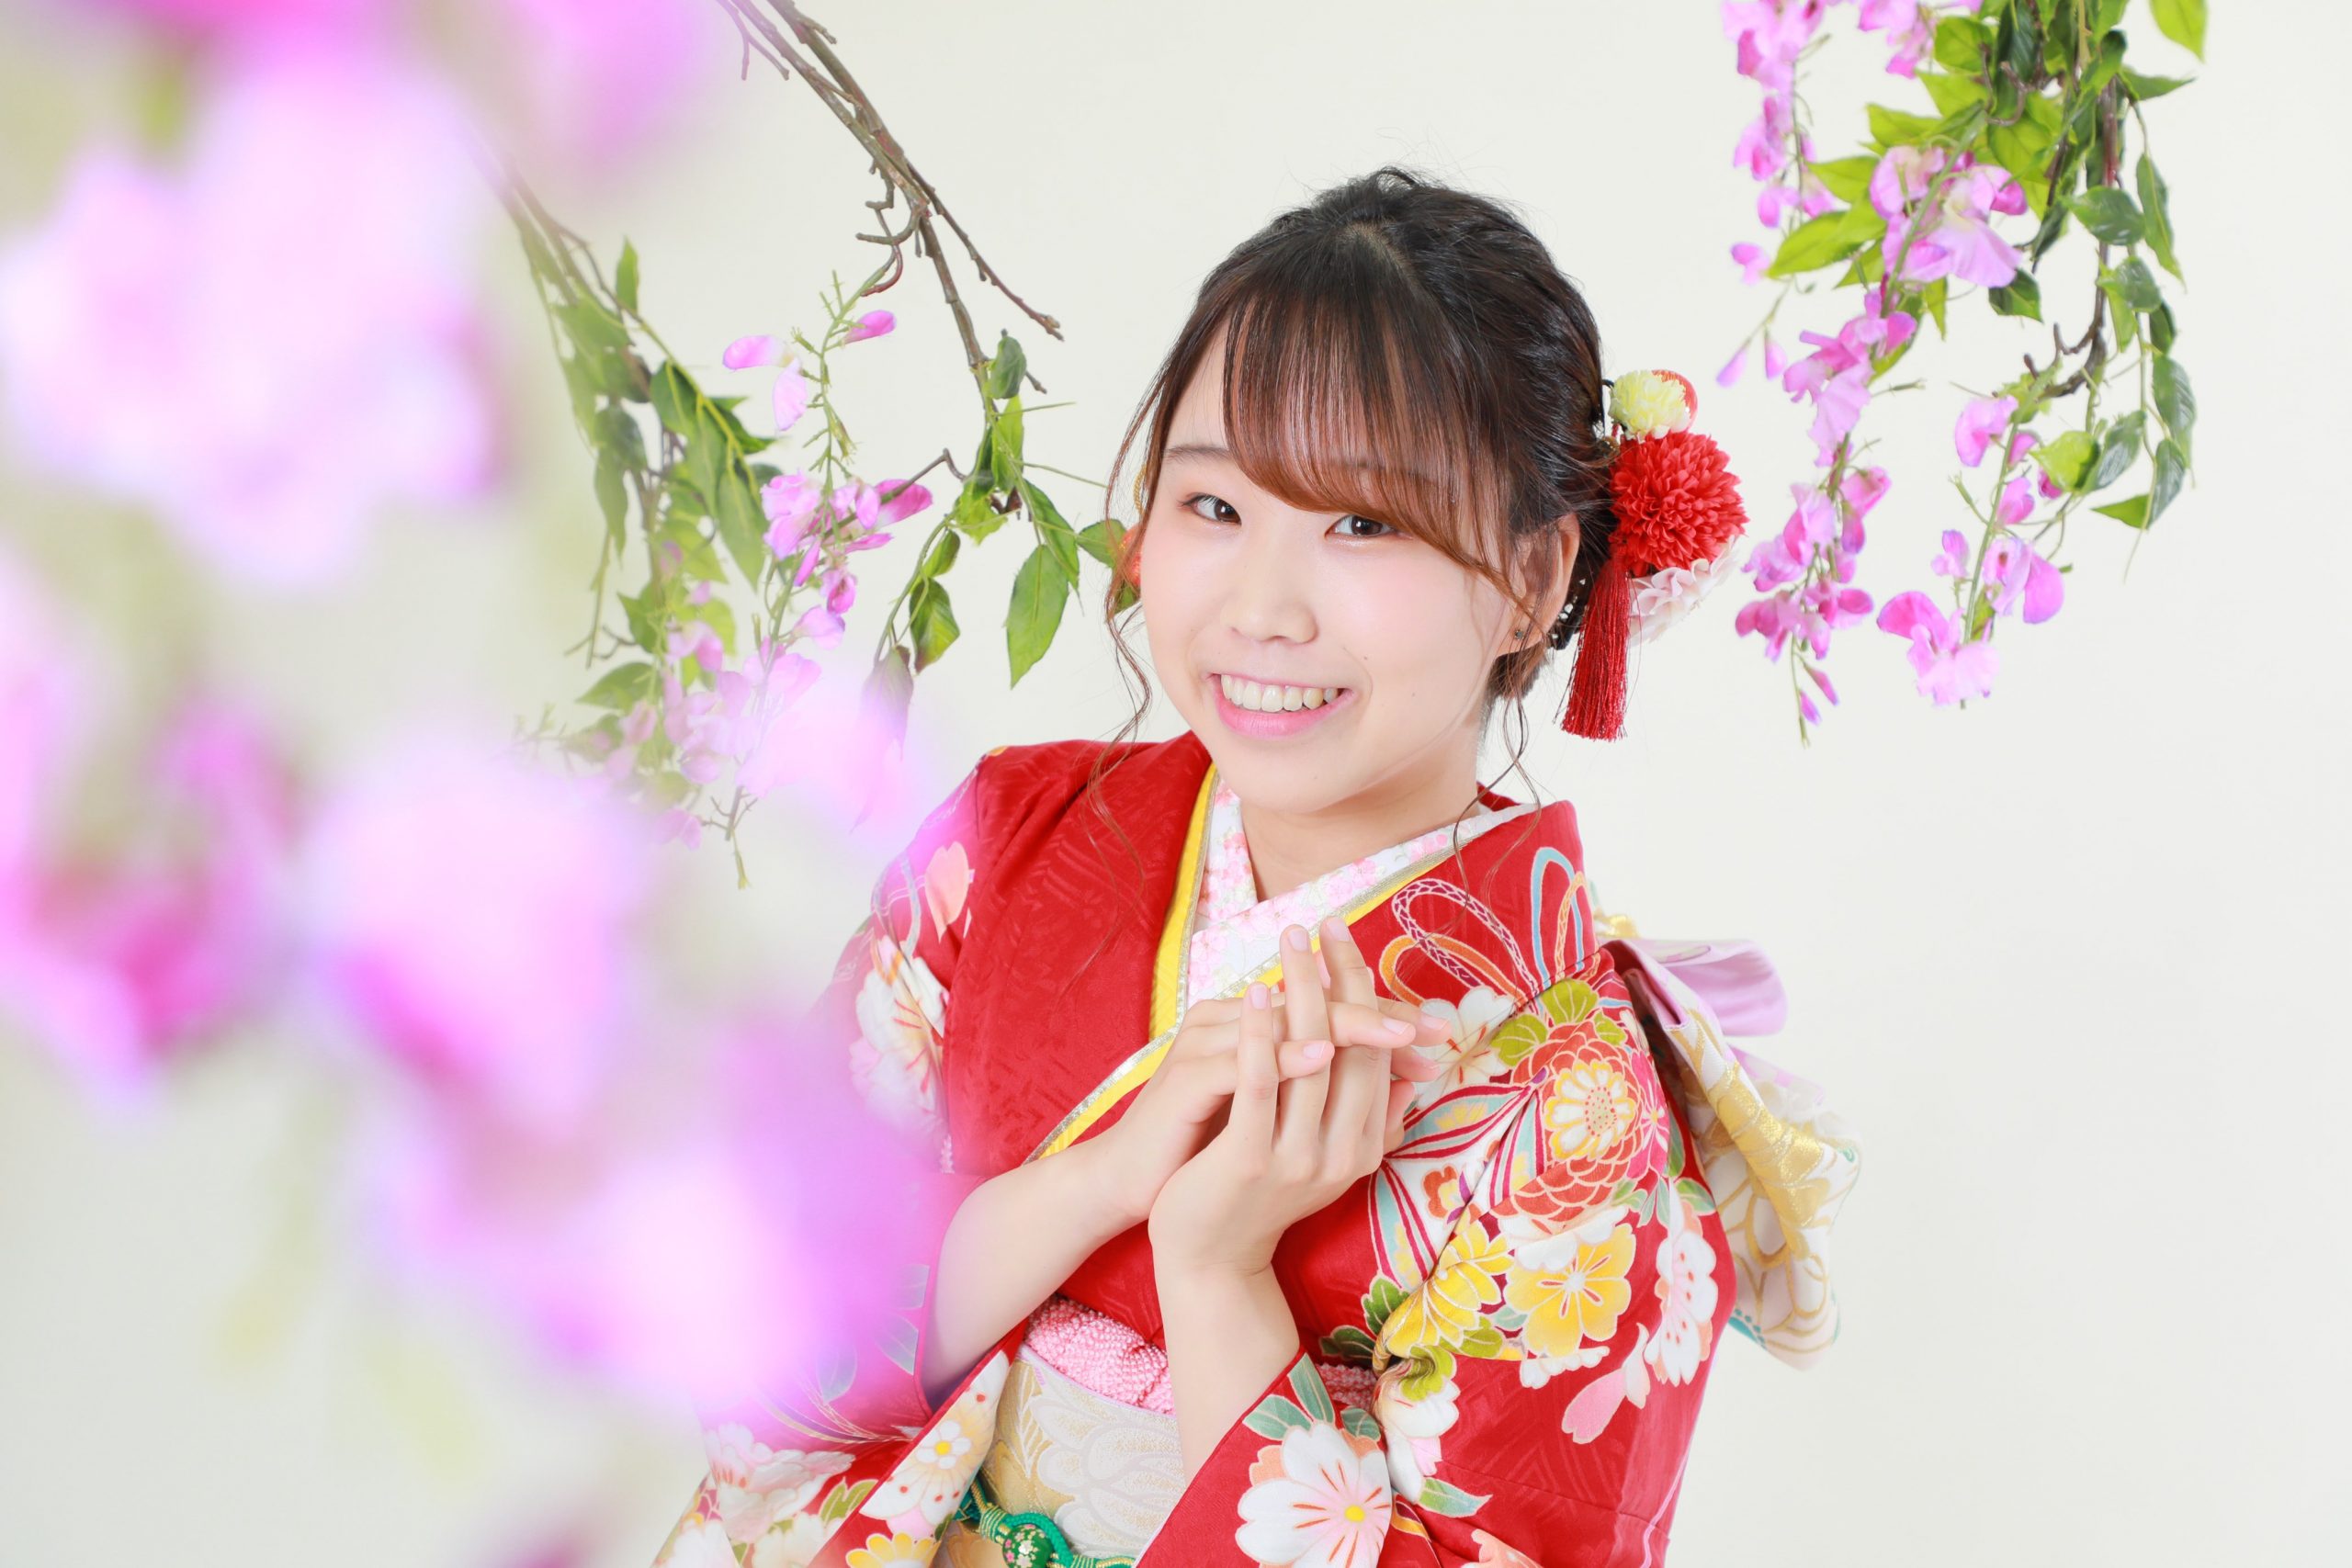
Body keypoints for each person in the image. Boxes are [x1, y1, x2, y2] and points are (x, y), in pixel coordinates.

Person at [652, 166, 1861, 1568]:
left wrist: (1219, 1269)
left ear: (1533, 582)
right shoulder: (1009, 838)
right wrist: (1099, 1181)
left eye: (1365, 523)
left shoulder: (1573, 1106)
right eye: (1215, 506)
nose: (1262, 609)